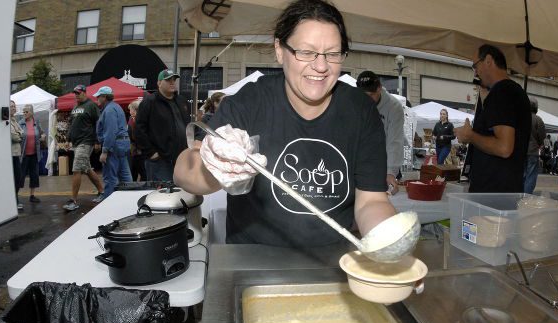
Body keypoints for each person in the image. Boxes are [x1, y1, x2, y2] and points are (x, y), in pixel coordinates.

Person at [174, 0, 396, 248]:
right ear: (280, 49)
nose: (321, 66)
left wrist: (389, 246)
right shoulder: (249, 102)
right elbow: (184, 172)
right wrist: (218, 170)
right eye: (306, 52)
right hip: (253, 263)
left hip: (330, 263)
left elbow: (371, 201)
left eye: (333, 53)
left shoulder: (360, 110)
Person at [454, 44, 531, 193]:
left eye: (475, 66)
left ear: (488, 60)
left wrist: (470, 136)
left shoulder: (502, 91)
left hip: (492, 194)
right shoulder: (512, 91)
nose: (475, 72)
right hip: (504, 191)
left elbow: (504, 148)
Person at [135, 69, 190, 181]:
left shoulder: (181, 101)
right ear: (159, 83)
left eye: (174, 79)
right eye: (168, 80)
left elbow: (188, 124)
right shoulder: (149, 102)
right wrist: (151, 153)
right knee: (162, 195)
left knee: (181, 193)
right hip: (160, 161)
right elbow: (139, 129)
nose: (172, 82)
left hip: (181, 159)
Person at [356, 70, 405, 194]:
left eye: (371, 95)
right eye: (364, 95)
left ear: (379, 88)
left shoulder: (394, 107)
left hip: (386, 161)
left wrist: (390, 172)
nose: (368, 99)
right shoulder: (355, 103)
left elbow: (395, 141)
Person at [63, 85, 105, 211]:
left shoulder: (91, 105)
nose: (76, 95)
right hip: (76, 143)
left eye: (78, 93)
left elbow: (99, 123)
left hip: (86, 142)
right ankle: (102, 192)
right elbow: (72, 124)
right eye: (75, 93)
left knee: (76, 169)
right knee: (86, 169)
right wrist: (68, 139)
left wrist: (97, 141)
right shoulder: (75, 107)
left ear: (84, 93)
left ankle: (73, 201)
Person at [95, 86, 132, 198]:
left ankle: (109, 204)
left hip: (114, 146)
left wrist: (105, 151)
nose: (97, 98)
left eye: (99, 96)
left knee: (110, 177)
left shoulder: (109, 110)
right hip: (122, 144)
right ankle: (130, 200)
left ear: (104, 97)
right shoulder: (117, 107)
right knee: (125, 175)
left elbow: (111, 131)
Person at [19, 104, 46, 203]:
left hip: (35, 154)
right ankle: (16, 196)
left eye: (26, 112)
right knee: (20, 176)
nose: (24, 113)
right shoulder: (20, 123)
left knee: (34, 175)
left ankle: (32, 195)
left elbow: (42, 132)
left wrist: (43, 136)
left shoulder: (36, 122)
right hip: (23, 154)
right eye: (24, 112)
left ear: (31, 112)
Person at [523, 97, 545, 194]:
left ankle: (519, 195)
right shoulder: (538, 120)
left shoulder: (521, 118)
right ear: (536, 108)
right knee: (531, 175)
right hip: (532, 151)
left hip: (521, 151)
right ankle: (526, 197)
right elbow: (542, 136)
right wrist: (539, 144)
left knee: (522, 174)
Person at [9, 101, 24, 210]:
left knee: (18, 178)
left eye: (14, 106)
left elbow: (22, 132)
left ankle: (15, 198)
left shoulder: (14, 120)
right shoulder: (8, 121)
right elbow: (14, 137)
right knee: (16, 178)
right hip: (11, 154)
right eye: (12, 106)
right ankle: (14, 200)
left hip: (16, 153)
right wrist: (20, 135)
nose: (14, 108)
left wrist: (19, 135)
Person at [127, 99, 146, 181]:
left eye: (130, 109)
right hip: (134, 150)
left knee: (142, 172)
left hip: (139, 150)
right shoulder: (132, 119)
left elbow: (136, 136)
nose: (129, 111)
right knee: (134, 171)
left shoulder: (138, 120)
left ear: (135, 110)